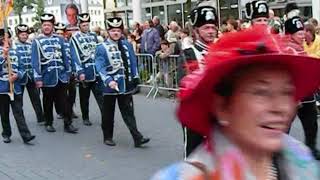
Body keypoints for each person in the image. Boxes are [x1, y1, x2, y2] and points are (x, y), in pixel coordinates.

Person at [152, 25, 320, 180]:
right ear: (222, 106)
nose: (280, 108)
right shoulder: (189, 177)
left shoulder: (299, 159)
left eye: (286, 92)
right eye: (261, 92)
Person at [95, 17, 150, 147]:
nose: (116, 33)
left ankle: (137, 137)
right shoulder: (101, 47)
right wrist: (108, 80)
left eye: (118, 30)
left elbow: (132, 62)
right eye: (113, 30)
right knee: (108, 113)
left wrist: (135, 77)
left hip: (125, 85)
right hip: (110, 86)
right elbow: (100, 67)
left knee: (129, 113)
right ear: (108, 31)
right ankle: (107, 136)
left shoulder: (127, 45)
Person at [179, 5, 219, 158]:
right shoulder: (189, 53)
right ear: (196, 31)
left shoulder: (221, 51)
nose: (210, 31)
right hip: (195, 114)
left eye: (213, 27)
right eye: (206, 28)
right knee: (194, 156)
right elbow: (185, 84)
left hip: (218, 113)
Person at [31, 13, 78, 133]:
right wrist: (38, 78)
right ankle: (48, 122)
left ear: (53, 26)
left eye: (49, 25)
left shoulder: (60, 39)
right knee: (48, 101)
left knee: (65, 101)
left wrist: (68, 72)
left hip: (61, 76)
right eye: (44, 25)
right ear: (42, 26)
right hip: (47, 77)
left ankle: (68, 124)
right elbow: (35, 61)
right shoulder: (37, 42)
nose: (46, 27)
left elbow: (65, 57)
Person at [285, 16, 320, 160]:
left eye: (303, 32)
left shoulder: (302, 47)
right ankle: (280, 153)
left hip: (307, 93)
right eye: (299, 33)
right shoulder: (287, 49)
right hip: (294, 94)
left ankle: (311, 148)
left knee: (311, 123)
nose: (303, 35)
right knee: (284, 125)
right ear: (290, 35)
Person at [0, 28, 36, 144]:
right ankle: (6, 133)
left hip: (15, 87)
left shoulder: (15, 52)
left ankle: (26, 135)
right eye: (3, 38)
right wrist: (3, 57)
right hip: (2, 89)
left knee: (19, 112)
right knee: (4, 113)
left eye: (7, 38)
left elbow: (22, 68)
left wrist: (17, 75)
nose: (6, 40)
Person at [70, 13, 104, 126]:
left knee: (101, 96)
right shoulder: (75, 38)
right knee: (85, 98)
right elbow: (75, 56)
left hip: (96, 71)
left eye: (87, 24)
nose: (86, 27)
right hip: (85, 72)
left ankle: (106, 115)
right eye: (83, 25)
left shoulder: (94, 36)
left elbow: (98, 53)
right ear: (79, 25)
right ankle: (85, 117)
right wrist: (80, 72)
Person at [14, 24, 45, 125]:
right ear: (18, 35)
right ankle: (21, 121)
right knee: (19, 101)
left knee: (36, 98)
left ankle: (40, 118)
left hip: (31, 76)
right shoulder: (14, 46)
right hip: (20, 78)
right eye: (22, 34)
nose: (24, 36)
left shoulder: (31, 45)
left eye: (26, 34)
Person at [54, 22, 78, 119]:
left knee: (72, 93)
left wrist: (75, 70)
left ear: (65, 33)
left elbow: (73, 57)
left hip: (70, 72)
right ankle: (60, 111)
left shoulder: (69, 44)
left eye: (61, 33)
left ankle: (70, 110)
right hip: (59, 73)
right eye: (57, 33)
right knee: (59, 95)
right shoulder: (52, 45)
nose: (60, 35)